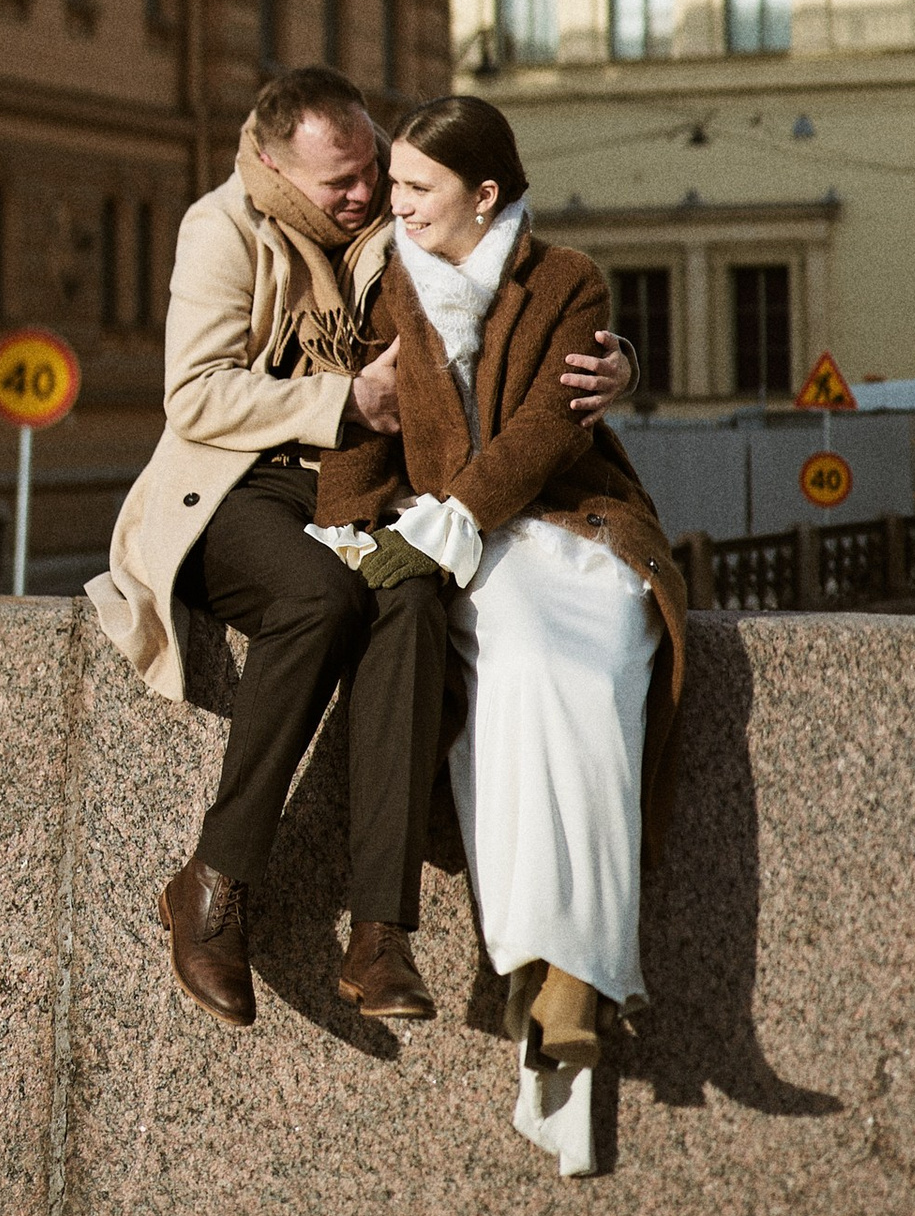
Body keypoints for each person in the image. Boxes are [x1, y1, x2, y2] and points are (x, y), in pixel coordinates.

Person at [89, 65, 635, 1033]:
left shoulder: (393, 223)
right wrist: (343, 399)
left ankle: (381, 930)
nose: (363, 193)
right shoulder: (222, 231)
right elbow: (195, 397)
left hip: (364, 488)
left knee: (411, 604)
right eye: (337, 181)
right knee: (318, 599)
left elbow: (511, 285)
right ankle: (213, 886)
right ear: (269, 165)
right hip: (234, 486)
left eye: (371, 168)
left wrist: (616, 357)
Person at [311, 90, 685, 1176]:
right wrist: (346, 531)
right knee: (517, 675)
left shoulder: (565, 279)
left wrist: (452, 518)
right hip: (458, 552)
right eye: (390, 188)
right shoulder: (390, 282)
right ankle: (550, 971)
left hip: (560, 526)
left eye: (416, 190)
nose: (394, 206)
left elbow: (545, 431)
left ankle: (564, 979)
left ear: (484, 195)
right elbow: (366, 421)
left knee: (605, 662)